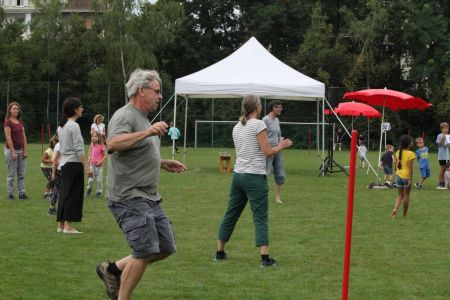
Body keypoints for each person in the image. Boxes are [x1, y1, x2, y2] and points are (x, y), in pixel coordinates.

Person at [96, 69, 187, 300]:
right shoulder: (125, 115)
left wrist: (162, 162)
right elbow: (113, 144)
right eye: (156, 91)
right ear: (141, 90)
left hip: (150, 196)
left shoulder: (143, 118)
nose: (159, 96)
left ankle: (112, 269)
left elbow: (137, 154)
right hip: (129, 197)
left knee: (165, 247)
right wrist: (147, 132)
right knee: (144, 250)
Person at [214, 95, 293, 268]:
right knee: (260, 218)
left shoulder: (236, 127)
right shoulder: (259, 124)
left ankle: (219, 252)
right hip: (255, 177)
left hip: (238, 176)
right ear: (257, 106)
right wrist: (281, 145)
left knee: (231, 214)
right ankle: (265, 259)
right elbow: (267, 152)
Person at [53, 97, 91, 234]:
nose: (82, 109)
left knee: (64, 193)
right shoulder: (74, 126)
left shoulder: (61, 126)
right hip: (74, 164)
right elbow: (79, 149)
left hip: (64, 164)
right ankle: (68, 227)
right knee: (73, 195)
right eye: (80, 107)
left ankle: (61, 225)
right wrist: (87, 166)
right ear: (75, 109)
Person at [262, 100, 287, 204]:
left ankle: (277, 197)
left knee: (280, 174)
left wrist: (282, 142)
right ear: (273, 108)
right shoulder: (265, 120)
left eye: (281, 107)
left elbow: (279, 135)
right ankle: (261, 196)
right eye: (278, 107)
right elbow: (261, 136)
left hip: (278, 150)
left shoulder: (277, 120)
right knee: (265, 175)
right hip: (268, 150)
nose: (280, 109)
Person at [4, 101, 28, 200]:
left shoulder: (20, 122)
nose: (16, 110)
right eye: (14, 108)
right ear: (10, 110)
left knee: (21, 174)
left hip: (21, 150)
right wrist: (13, 152)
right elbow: (8, 138)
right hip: (11, 151)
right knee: (11, 174)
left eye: (17, 109)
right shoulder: (7, 122)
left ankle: (22, 193)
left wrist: (25, 151)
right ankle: (10, 194)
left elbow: (24, 137)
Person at [391, 135, 415, 219]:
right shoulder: (411, 154)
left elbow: (395, 165)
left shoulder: (398, 152)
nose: (412, 143)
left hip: (399, 176)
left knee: (400, 195)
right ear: (408, 144)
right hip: (406, 177)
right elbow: (411, 168)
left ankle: (395, 208)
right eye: (411, 141)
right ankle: (404, 215)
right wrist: (410, 180)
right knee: (406, 196)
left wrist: (396, 174)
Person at [86, 131, 107, 198]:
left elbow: (105, 155)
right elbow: (90, 153)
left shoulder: (102, 146)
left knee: (99, 180)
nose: (94, 138)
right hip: (92, 165)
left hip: (99, 167)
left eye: (95, 136)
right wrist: (89, 161)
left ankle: (98, 192)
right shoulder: (92, 144)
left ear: (99, 138)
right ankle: (89, 190)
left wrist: (100, 161)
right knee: (90, 180)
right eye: (93, 136)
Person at [41, 135, 57, 200]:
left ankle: (51, 193)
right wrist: (51, 161)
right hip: (45, 167)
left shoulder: (57, 150)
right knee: (51, 179)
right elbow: (42, 159)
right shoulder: (48, 151)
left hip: (52, 167)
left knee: (54, 179)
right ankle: (46, 194)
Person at [48, 137, 61, 216]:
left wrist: (53, 173)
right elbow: (54, 161)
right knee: (59, 190)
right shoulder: (60, 145)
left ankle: (51, 208)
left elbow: (54, 161)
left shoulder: (58, 146)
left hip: (58, 170)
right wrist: (53, 173)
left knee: (56, 189)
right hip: (61, 170)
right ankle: (52, 209)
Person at [435, 122, 448, 189]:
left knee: (446, 169)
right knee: (442, 169)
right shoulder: (440, 136)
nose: (446, 129)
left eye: (447, 128)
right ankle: (440, 183)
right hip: (442, 156)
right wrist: (443, 138)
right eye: (445, 128)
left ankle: (445, 183)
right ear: (441, 129)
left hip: (447, 155)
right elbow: (438, 145)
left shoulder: (448, 136)